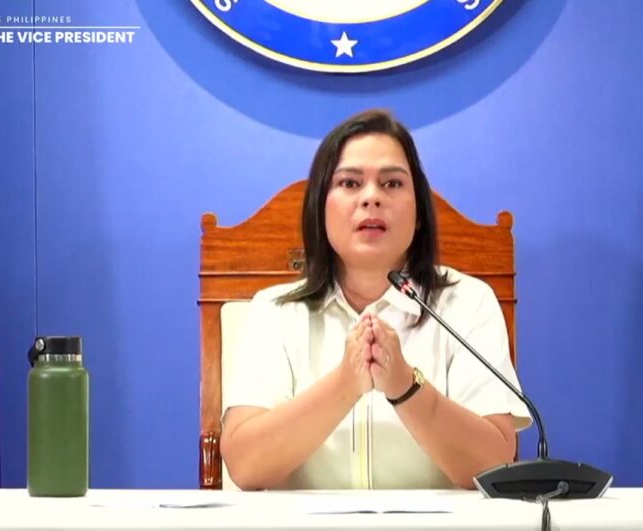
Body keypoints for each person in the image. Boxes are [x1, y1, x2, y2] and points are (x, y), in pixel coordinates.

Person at [220, 109, 531, 491]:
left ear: (418, 213)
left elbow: (494, 466)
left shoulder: (467, 304)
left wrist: (405, 386)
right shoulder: (274, 311)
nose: (371, 198)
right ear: (320, 208)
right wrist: (344, 384)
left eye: (392, 184)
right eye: (350, 183)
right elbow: (246, 467)